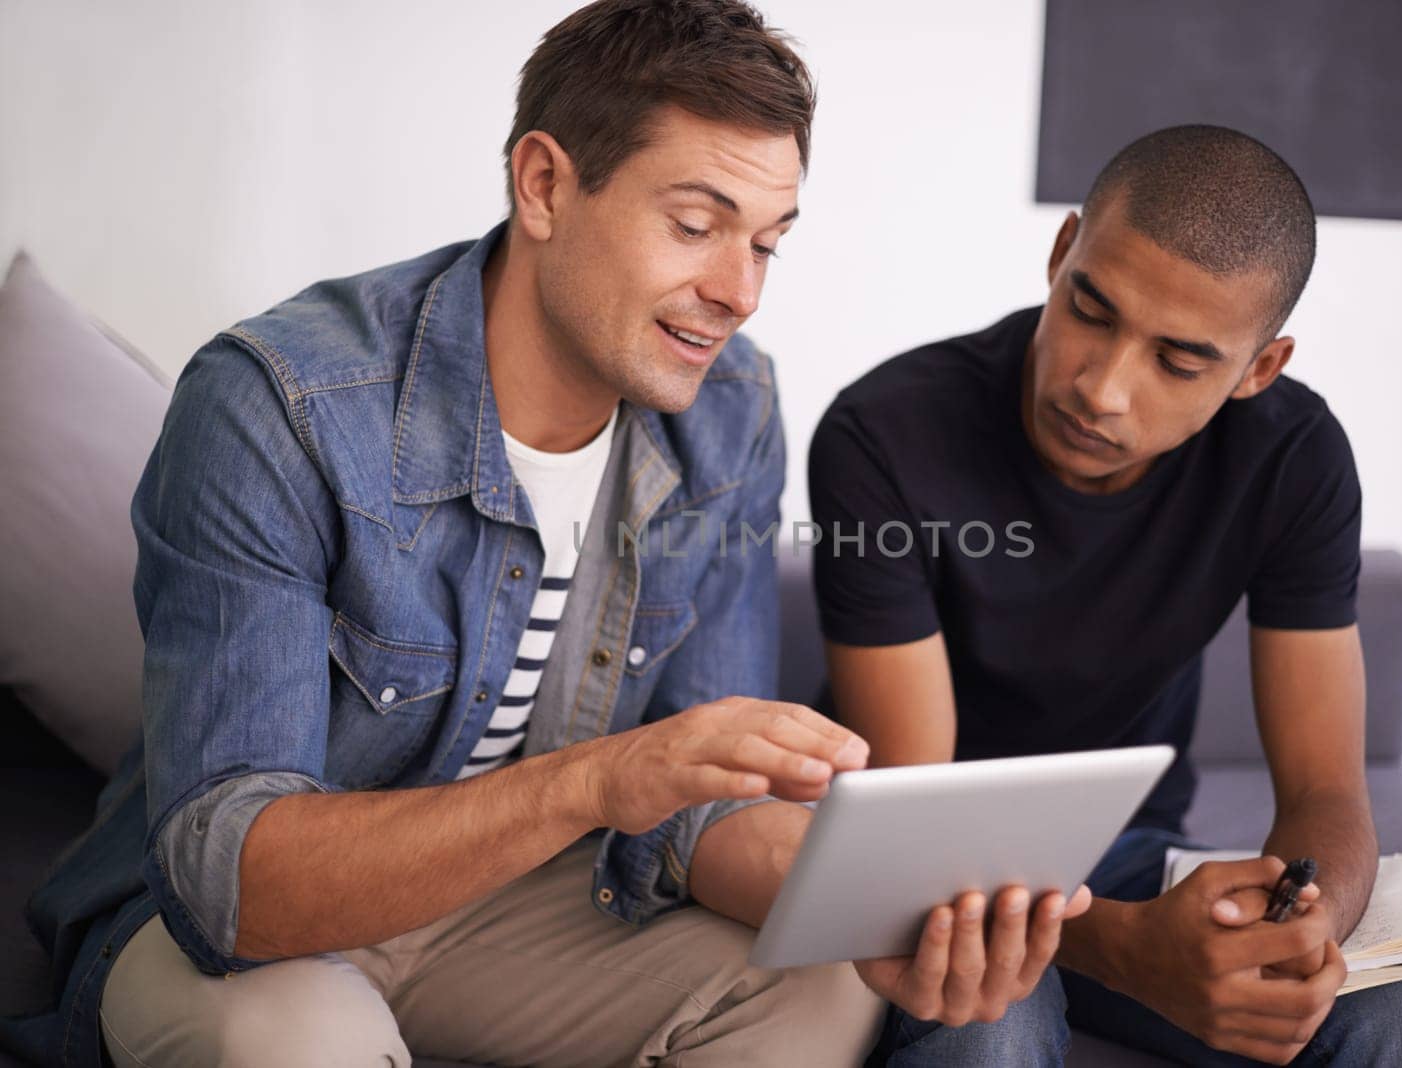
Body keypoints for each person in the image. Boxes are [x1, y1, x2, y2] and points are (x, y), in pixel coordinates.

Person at [4, 3, 1089, 1065]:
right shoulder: (281, 404)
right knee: (297, 1040)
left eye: (767, 244)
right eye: (696, 225)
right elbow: (228, 883)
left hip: (508, 921)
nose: (738, 292)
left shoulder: (730, 412)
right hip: (239, 942)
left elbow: (696, 812)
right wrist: (598, 779)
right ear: (543, 184)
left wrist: (884, 921)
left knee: (819, 991)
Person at [809, 125, 1402, 1066]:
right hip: (932, 870)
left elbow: (1326, 791)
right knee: (985, 1027)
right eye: (1092, 309)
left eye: (1180, 361)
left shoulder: (1294, 459)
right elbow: (914, 839)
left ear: (1258, 370)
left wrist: (1301, 927)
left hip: (1122, 849)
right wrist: (1125, 949)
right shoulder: (885, 434)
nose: (1102, 389)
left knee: (1398, 1014)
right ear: (1062, 250)